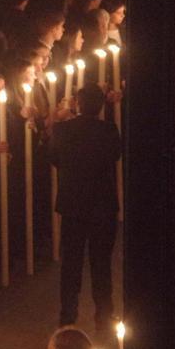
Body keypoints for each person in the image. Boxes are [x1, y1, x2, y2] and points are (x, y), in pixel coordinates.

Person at [51, 85, 121, 331]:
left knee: (71, 263)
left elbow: (54, 159)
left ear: (77, 105)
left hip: (73, 205)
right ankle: (104, 314)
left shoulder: (61, 130)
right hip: (102, 205)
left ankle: (67, 316)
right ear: (101, 106)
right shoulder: (109, 130)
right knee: (101, 263)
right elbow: (115, 155)